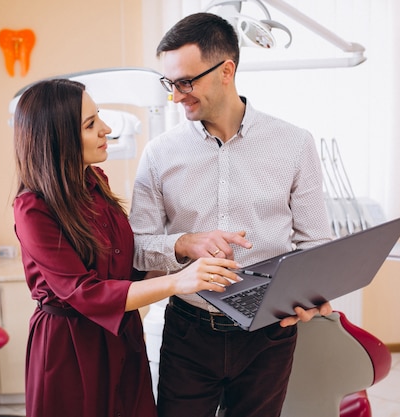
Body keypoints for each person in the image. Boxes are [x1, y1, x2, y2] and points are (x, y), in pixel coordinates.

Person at [129, 12, 334, 417]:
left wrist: (312, 293)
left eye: (186, 82)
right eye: (169, 84)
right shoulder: (159, 153)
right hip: (189, 330)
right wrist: (185, 243)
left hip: (268, 335)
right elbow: (137, 248)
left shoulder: (294, 144)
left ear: (227, 71)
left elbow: (316, 244)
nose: (176, 96)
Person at [12, 78, 241, 417]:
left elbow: (124, 265)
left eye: (98, 116)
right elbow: (84, 292)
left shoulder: (95, 183)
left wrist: (184, 248)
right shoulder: (34, 208)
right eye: (91, 124)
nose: (106, 129)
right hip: (72, 348)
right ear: (57, 139)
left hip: (121, 337)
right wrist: (179, 281)